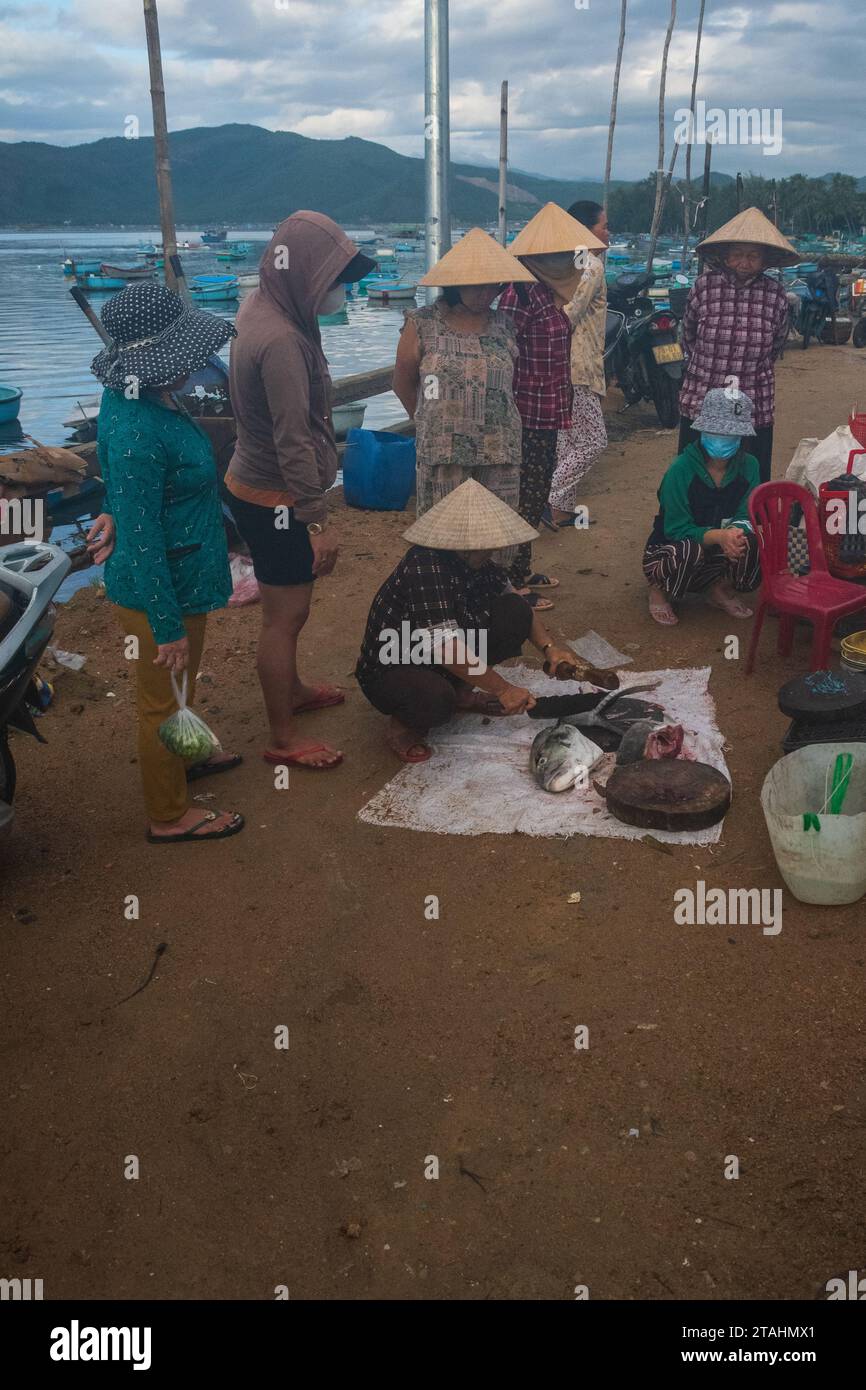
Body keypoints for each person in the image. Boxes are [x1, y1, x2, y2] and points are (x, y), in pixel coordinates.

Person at [91, 282, 244, 843]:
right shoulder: (136, 425)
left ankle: (189, 753)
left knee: (180, 688)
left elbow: (115, 476)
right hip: (162, 585)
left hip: (181, 569)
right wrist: (166, 628)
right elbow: (143, 537)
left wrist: (110, 507)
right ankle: (168, 815)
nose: (194, 364)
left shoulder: (139, 394)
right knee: (160, 701)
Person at [225, 211, 375, 771]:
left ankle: (292, 691)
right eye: (333, 277)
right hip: (275, 498)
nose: (339, 290)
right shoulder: (283, 339)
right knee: (283, 617)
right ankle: (282, 737)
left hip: (253, 482)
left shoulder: (265, 304)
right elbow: (291, 440)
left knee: (293, 609)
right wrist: (316, 521)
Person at [356, 480, 575, 762]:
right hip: (395, 664)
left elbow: (518, 604)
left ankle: (461, 692)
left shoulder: (481, 565)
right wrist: (503, 689)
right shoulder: (426, 565)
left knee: (513, 611)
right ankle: (404, 722)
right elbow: (443, 645)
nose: (493, 551)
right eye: (488, 546)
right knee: (435, 699)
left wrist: (549, 649)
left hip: (439, 654)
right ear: (466, 545)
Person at [392, 229, 534, 533]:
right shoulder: (423, 323)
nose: (487, 293)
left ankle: (495, 583)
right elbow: (402, 382)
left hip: (499, 448)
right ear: (456, 284)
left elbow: (511, 385)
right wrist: (424, 421)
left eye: (493, 286)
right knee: (444, 531)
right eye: (477, 286)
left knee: (495, 531)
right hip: (443, 450)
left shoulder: (504, 326)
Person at [500, 202, 606, 604]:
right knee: (522, 494)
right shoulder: (520, 294)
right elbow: (505, 355)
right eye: (561, 255)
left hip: (549, 408)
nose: (569, 262)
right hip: (525, 411)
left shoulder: (548, 292)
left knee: (535, 487)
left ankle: (522, 566)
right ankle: (513, 582)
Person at [679, 208, 799, 484]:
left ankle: (749, 521)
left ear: (765, 259)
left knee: (751, 466)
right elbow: (689, 333)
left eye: (753, 255)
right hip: (704, 389)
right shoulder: (704, 286)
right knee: (695, 462)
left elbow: (777, 342)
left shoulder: (775, 293)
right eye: (738, 254)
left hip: (753, 392)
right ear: (724, 256)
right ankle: (689, 522)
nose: (744, 262)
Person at [643, 387, 762, 626]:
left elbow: (747, 513)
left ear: (741, 437)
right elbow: (676, 528)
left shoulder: (750, 466)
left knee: (756, 539)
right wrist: (718, 536)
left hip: (717, 554)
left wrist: (735, 534)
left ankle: (718, 588)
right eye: (716, 431)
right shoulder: (681, 469)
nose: (722, 438)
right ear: (703, 430)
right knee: (688, 550)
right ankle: (659, 590)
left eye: (730, 434)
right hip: (672, 549)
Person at [544, 199, 611, 528]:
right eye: (603, 225)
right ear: (587, 230)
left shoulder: (566, 262)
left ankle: (560, 508)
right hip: (579, 367)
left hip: (561, 365)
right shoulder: (591, 265)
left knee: (567, 440)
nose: (607, 232)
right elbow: (568, 316)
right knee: (594, 441)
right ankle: (551, 499)